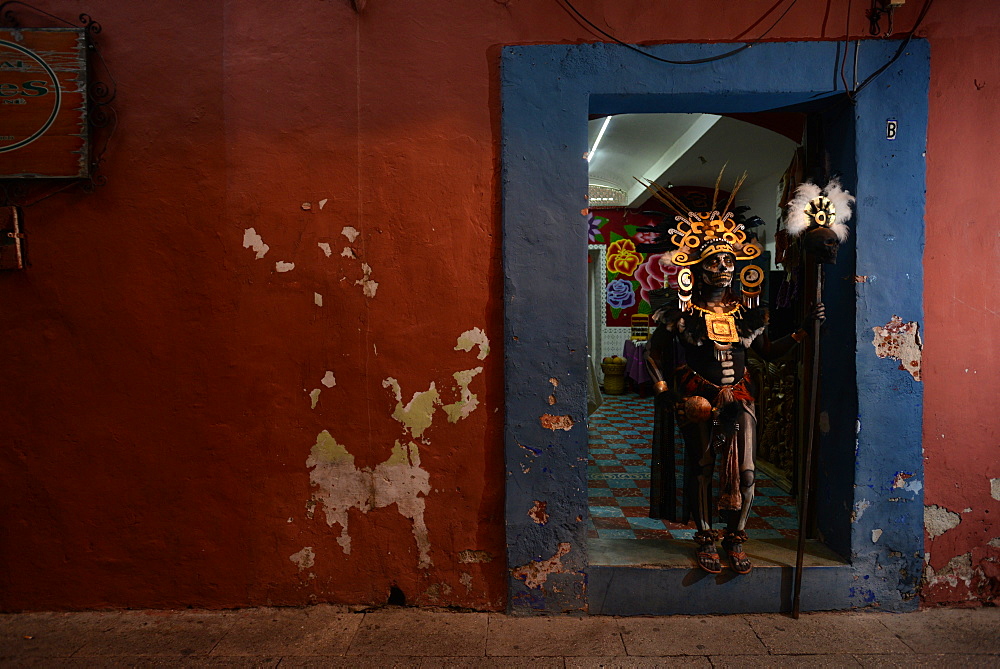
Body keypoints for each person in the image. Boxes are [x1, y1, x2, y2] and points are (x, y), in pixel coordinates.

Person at [641, 205, 822, 575]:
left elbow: (768, 352)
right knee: (704, 467)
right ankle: (706, 535)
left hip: (740, 396)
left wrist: (802, 330)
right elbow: (653, 353)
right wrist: (663, 391)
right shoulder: (684, 312)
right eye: (713, 262)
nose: (723, 268)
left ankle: (736, 537)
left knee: (747, 472)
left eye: (728, 261)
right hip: (698, 397)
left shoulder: (745, 312)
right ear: (696, 269)